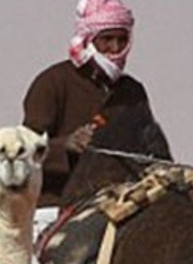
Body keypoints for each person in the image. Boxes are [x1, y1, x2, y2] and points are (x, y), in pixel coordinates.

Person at [22, 0, 160, 235]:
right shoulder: (52, 83)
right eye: (107, 39)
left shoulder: (132, 92)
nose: (115, 48)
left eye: (122, 39)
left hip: (118, 208)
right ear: (88, 39)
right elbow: (24, 153)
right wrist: (66, 145)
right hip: (55, 209)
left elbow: (149, 150)